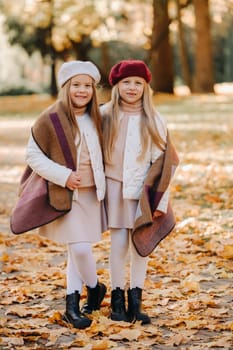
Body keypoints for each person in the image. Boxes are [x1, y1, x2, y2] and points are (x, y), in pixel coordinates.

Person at [25, 60, 107, 329]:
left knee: (76, 249)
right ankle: (94, 288)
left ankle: (73, 305)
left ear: (94, 90)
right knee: (80, 247)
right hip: (66, 193)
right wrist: (64, 175)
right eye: (76, 85)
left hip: (91, 194)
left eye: (87, 86)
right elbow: (33, 155)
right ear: (66, 87)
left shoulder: (99, 118)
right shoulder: (50, 119)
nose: (82, 91)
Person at [101, 59, 178, 325]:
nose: (132, 88)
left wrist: (160, 201)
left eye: (138, 83)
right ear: (116, 86)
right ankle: (117, 299)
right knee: (118, 245)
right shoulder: (104, 115)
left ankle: (136, 300)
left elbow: (164, 164)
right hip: (114, 190)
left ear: (146, 87)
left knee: (140, 247)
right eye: (126, 83)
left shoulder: (154, 119)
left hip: (141, 192)